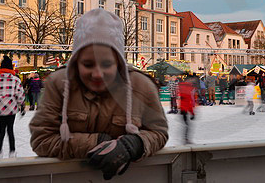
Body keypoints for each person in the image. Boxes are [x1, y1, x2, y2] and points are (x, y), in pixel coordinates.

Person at [29, 9, 168, 181]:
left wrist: (135, 144)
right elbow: (42, 139)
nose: (97, 74)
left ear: (118, 62)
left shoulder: (141, 86)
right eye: (88, 64)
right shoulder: (58, 84)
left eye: (106, 64)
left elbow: (159, 133)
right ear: (76, 61)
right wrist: (97, 142)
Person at [0, 56, 25, 159]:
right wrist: (22, 106)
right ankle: (12, 151)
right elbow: (20, 95)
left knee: (1, 129)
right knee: (10, 130)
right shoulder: (15, 80)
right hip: (11, 108)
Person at [179, 76, 195, 143]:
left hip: (182, 109)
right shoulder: (188, 90)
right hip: (184, 109)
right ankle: (186, 139)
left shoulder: (182, 87)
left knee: (186, 124)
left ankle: (185, 138)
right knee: (187, 125)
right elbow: (189, 103)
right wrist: (192, 113)